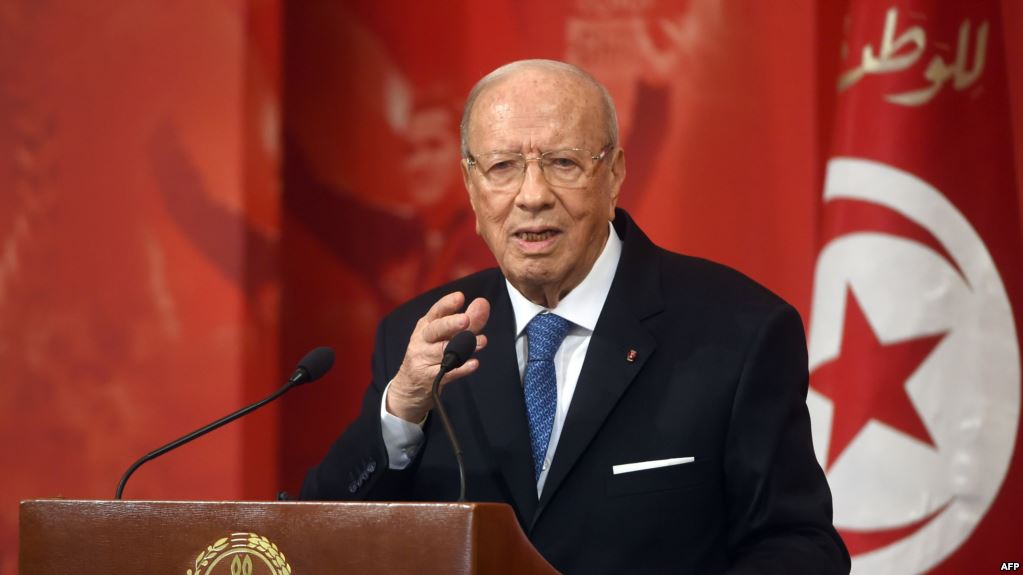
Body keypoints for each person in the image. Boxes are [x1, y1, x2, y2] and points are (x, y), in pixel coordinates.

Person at [302, 59, 850, 574]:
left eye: (563, 163)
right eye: (502, 167)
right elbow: (318, 539)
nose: (532, 195)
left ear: (614, 175)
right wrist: (400, 411)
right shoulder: (419, 338)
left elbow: (800, 547)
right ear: (471, 188)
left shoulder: (739, 331)